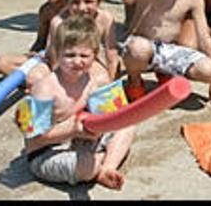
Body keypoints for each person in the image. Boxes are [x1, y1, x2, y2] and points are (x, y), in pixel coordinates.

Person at [23, 17, 135, 189]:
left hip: (81, 140)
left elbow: (115, 114)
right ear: (57, 52)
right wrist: (73, 129)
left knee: (127, 126)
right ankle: (98, 164)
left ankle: (107, 168)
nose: (77, 61)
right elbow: (33, 138)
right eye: (69, 55)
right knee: (86, 166)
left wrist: (104, 122)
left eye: (84, 55)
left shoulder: (96, 79)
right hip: (47, 152)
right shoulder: (44, 88)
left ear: (95, 54)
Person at [44, 0, 119, 83]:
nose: (82, 8)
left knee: (101, 80)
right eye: (75, 2)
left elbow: (111, 55)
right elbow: (55, 61)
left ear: (100, 0)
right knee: (34, 78)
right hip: (63, 63)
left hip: (86, 61)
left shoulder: (104, 19)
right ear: (67, 1)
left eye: (88, 1)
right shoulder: (59, 22)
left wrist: (112, 85)